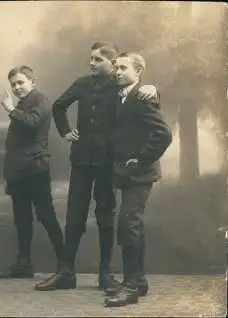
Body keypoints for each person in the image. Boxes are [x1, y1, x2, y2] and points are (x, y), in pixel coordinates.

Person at [42, 41, 158, 292]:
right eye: (90, 59)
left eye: (98, 60)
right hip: (82, 159)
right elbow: (58, 106)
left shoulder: (121, 85)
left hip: (109, 162)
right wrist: (65, 131)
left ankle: (105, 274)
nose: (91, 63)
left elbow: (143, 92)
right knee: (74, 215)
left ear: (112, 62)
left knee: (106, 216)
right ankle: (65, 272)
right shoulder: (82, 83)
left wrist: (152, 87)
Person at [104, 52, 172, 307]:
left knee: (128, 224)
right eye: (116, 67)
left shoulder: (143, 98)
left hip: (141, 173)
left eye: (123, 68)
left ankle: (131, 287)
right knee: (132, 225)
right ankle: (138, 281)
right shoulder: (122, 95)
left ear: (138, 72)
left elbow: (164, 134)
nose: (118, 72)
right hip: (127, 173)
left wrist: (141, 159)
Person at [0, 66, 66, 290]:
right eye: (13, 84)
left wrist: (9, 108)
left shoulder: (41, 100)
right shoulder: (24, 103)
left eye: (21, 82)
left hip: (35, 168)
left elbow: (33, 122)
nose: (17, 87)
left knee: (46, 215)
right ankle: (24, 264)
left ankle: (66, 265)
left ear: (33, 82)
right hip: (19, 169)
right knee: (22, 217)